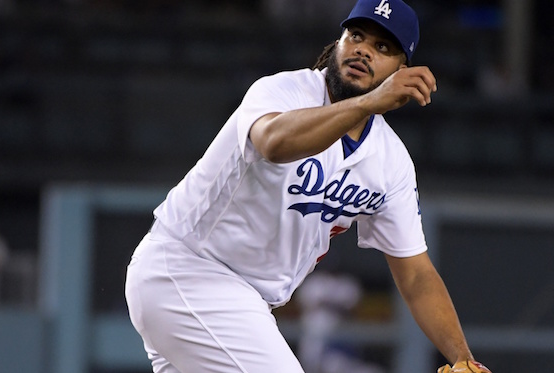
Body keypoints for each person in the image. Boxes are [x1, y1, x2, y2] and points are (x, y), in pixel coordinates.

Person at [124, 0, 492, 372]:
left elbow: (415, 273)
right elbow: (273, 143)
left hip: (244, 302)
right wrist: (369, 102)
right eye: (357, 36)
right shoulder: (283, 91)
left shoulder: (390, 161)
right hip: (189, 270)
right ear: (338, 42)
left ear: (401, 70)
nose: (364, 49)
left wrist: (462, 357)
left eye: (383, 47)